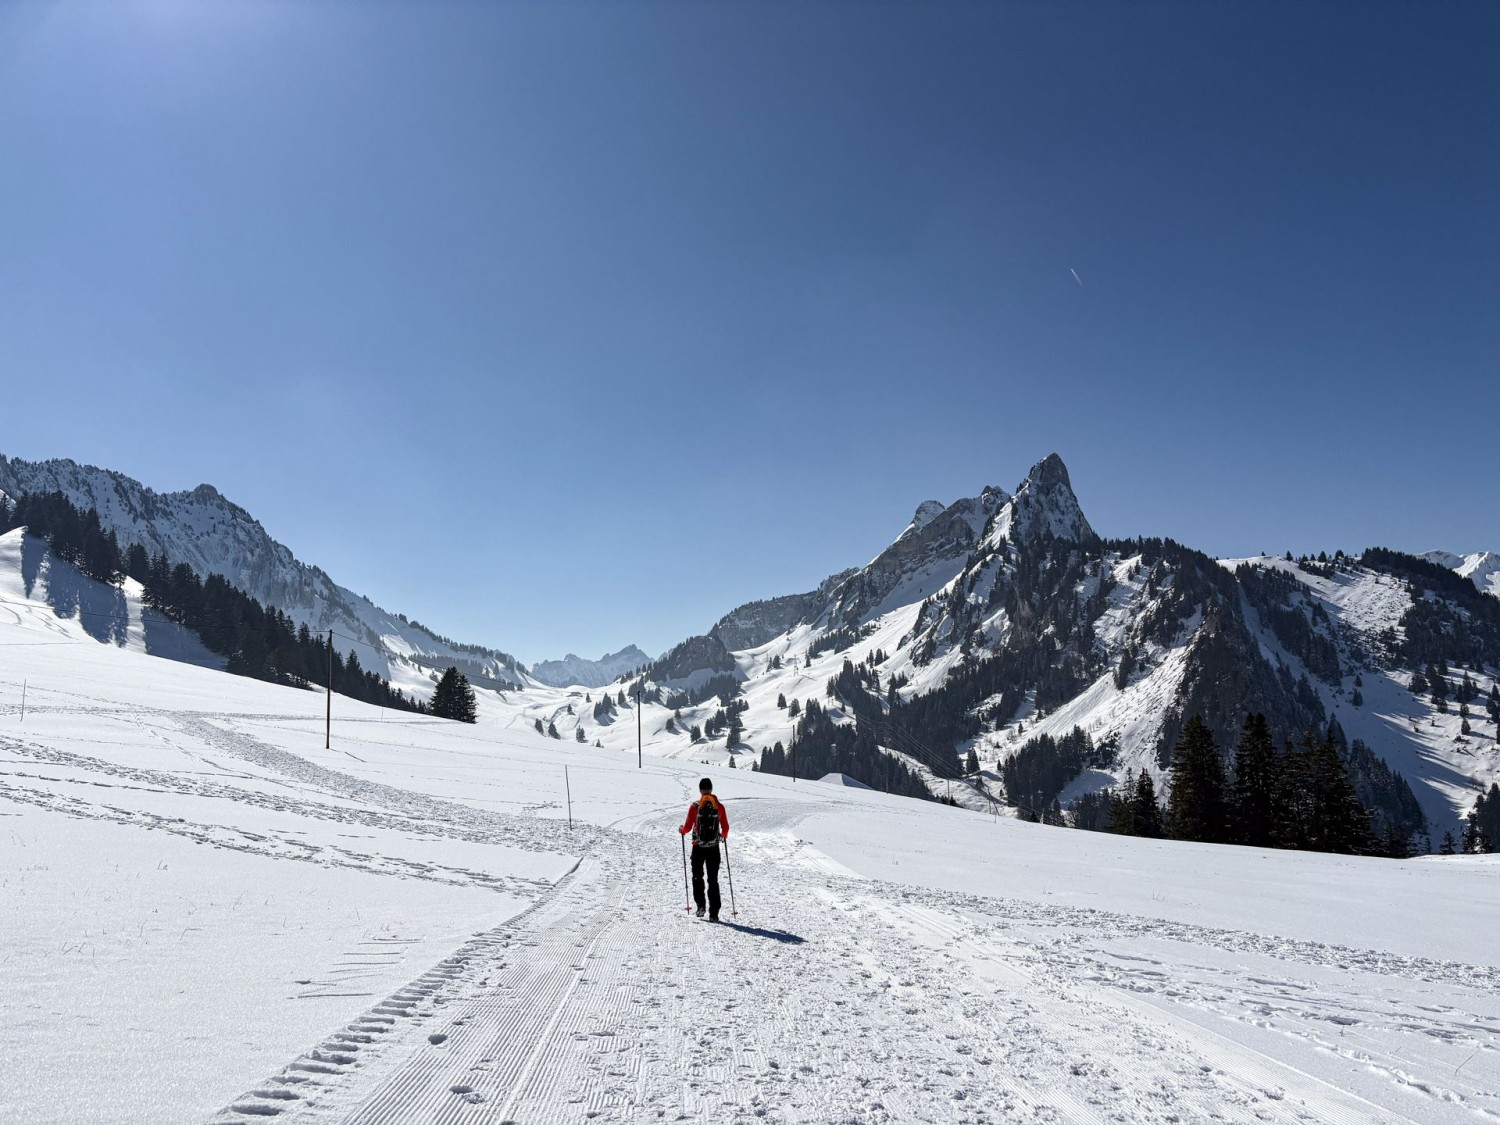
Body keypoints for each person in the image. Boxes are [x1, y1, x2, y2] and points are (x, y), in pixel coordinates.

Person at [679, 777, 729, 920]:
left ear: (700, 790)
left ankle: (701, 906)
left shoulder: (695, 806)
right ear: (711, 789)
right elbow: (725, 829)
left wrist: (682, 830)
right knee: (713, 880)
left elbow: (688, 828)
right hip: (713, 848)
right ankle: (714, 913)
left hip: (698, 847)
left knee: (697, 877)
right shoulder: (719, 806)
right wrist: (721, 836)